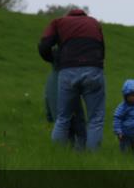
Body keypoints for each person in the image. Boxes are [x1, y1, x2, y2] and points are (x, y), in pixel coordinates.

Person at [38, 8, 106, 150]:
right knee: (95, 119)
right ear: (84, 15)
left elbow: (43, 45)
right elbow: (102, 49)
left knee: (63, 118)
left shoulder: (58, 22)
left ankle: (57, 155)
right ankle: (92, 159)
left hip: (68, 71)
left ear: (67, 15)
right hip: (93, 70)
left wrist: (54, 59)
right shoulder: (93, 23)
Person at [43, 46, 87, 150]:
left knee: (66, 140)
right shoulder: (68, 76)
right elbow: (75, 97)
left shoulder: (50, 78)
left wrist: (49, 116)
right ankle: (81, 155)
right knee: (80, 134)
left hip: (57, 117)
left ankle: (66, 155)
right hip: (71, 114)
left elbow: (46, 98)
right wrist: (80, 115)